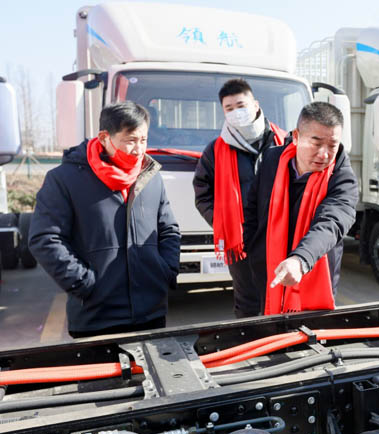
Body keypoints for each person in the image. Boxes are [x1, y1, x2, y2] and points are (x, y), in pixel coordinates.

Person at [29, 101, 180, 338]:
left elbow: (169, 230)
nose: (139, 149)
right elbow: (45, 239)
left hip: (150, 313)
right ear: (104, 137)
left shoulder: (150, 177)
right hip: (95, 318)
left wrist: (166, 271)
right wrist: (84, 283)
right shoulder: (64, 179)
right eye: (130, 140)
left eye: (144, 140)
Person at [243, 102, 358, 315]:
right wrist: (252, 249)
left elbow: (331, 223)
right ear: (296, 136)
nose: (324, 154)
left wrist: (300, 260)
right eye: (316, 143)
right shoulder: (272, 160)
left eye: (332, 145)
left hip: (313, 273)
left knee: (308, 330)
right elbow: (252, 208)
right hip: (267, 270)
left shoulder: (341, 178)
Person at [193, 78, 286, 318]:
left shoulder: (283, 142)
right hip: (241, 241)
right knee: (248, 303)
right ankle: (250, 341)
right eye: (229, 108)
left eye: (241, 105)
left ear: (255, 104)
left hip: (280, 236)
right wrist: (223, 223)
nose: (236, 112)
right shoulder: (215, 150)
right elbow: (202, 192)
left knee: (282, 297)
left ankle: (280, 340)